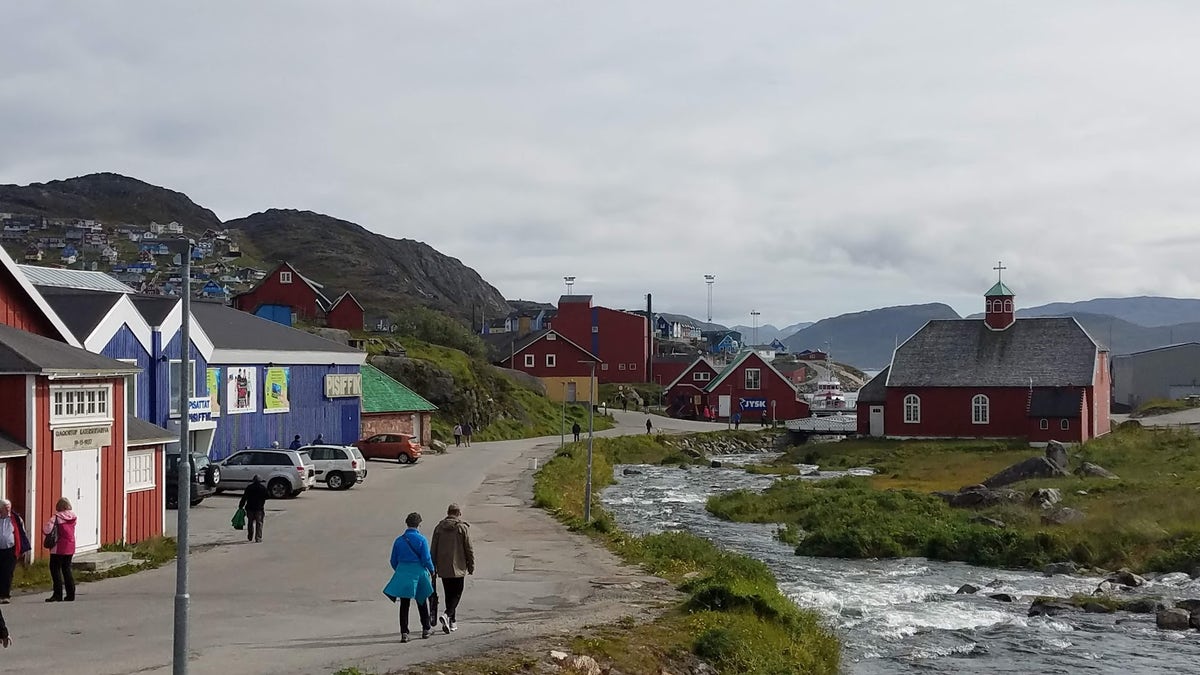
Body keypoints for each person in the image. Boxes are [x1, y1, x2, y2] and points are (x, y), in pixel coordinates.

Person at [384, 512, 436, 642]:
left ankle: (404, 633)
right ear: (419, 524)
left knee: (404, 604)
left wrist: (400, 570)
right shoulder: (422, 539)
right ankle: (425, 628)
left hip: (403, 572)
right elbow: (426, 558)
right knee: (422, 600)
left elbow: (393, 560)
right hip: (418, 572)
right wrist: (432, 570)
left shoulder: (399, 540)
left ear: (407, 524)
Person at [430, 503, 475, 634]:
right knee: (457, 593)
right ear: (458, 513)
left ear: (448, 512)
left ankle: (452, 621)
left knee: (448, 594)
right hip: (459, 567)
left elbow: (433, 548)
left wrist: (433, 567)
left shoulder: (439, 528)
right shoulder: (462, 528)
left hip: (443, 567)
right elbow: (469, 548)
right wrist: (471, 565)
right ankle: (447, 614)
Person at [43, 498, 77, 602]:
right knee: (67, 569)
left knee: (55, 569)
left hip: (58, 547)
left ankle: (57, 594)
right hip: (70, 545)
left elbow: (47, 529)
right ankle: (71, 594)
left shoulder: (56, 517)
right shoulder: (73, 516)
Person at [0, 499, 30, 604]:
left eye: (9, 506)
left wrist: (22, 548)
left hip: (11, 549)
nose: (8, 509)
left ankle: (5, 595)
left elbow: (22, 532)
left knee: (8, 572)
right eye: (5, 507)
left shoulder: (15, 518)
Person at [239, 475, 269, 543]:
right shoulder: (263, 488)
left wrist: (241, 505)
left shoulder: (249, 487)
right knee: (259, 523)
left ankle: (250, 536)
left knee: (250, 522)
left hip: (250, 508)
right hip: (259, 508)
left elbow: (244, 498)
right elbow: (268, 496)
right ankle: (258, 538)